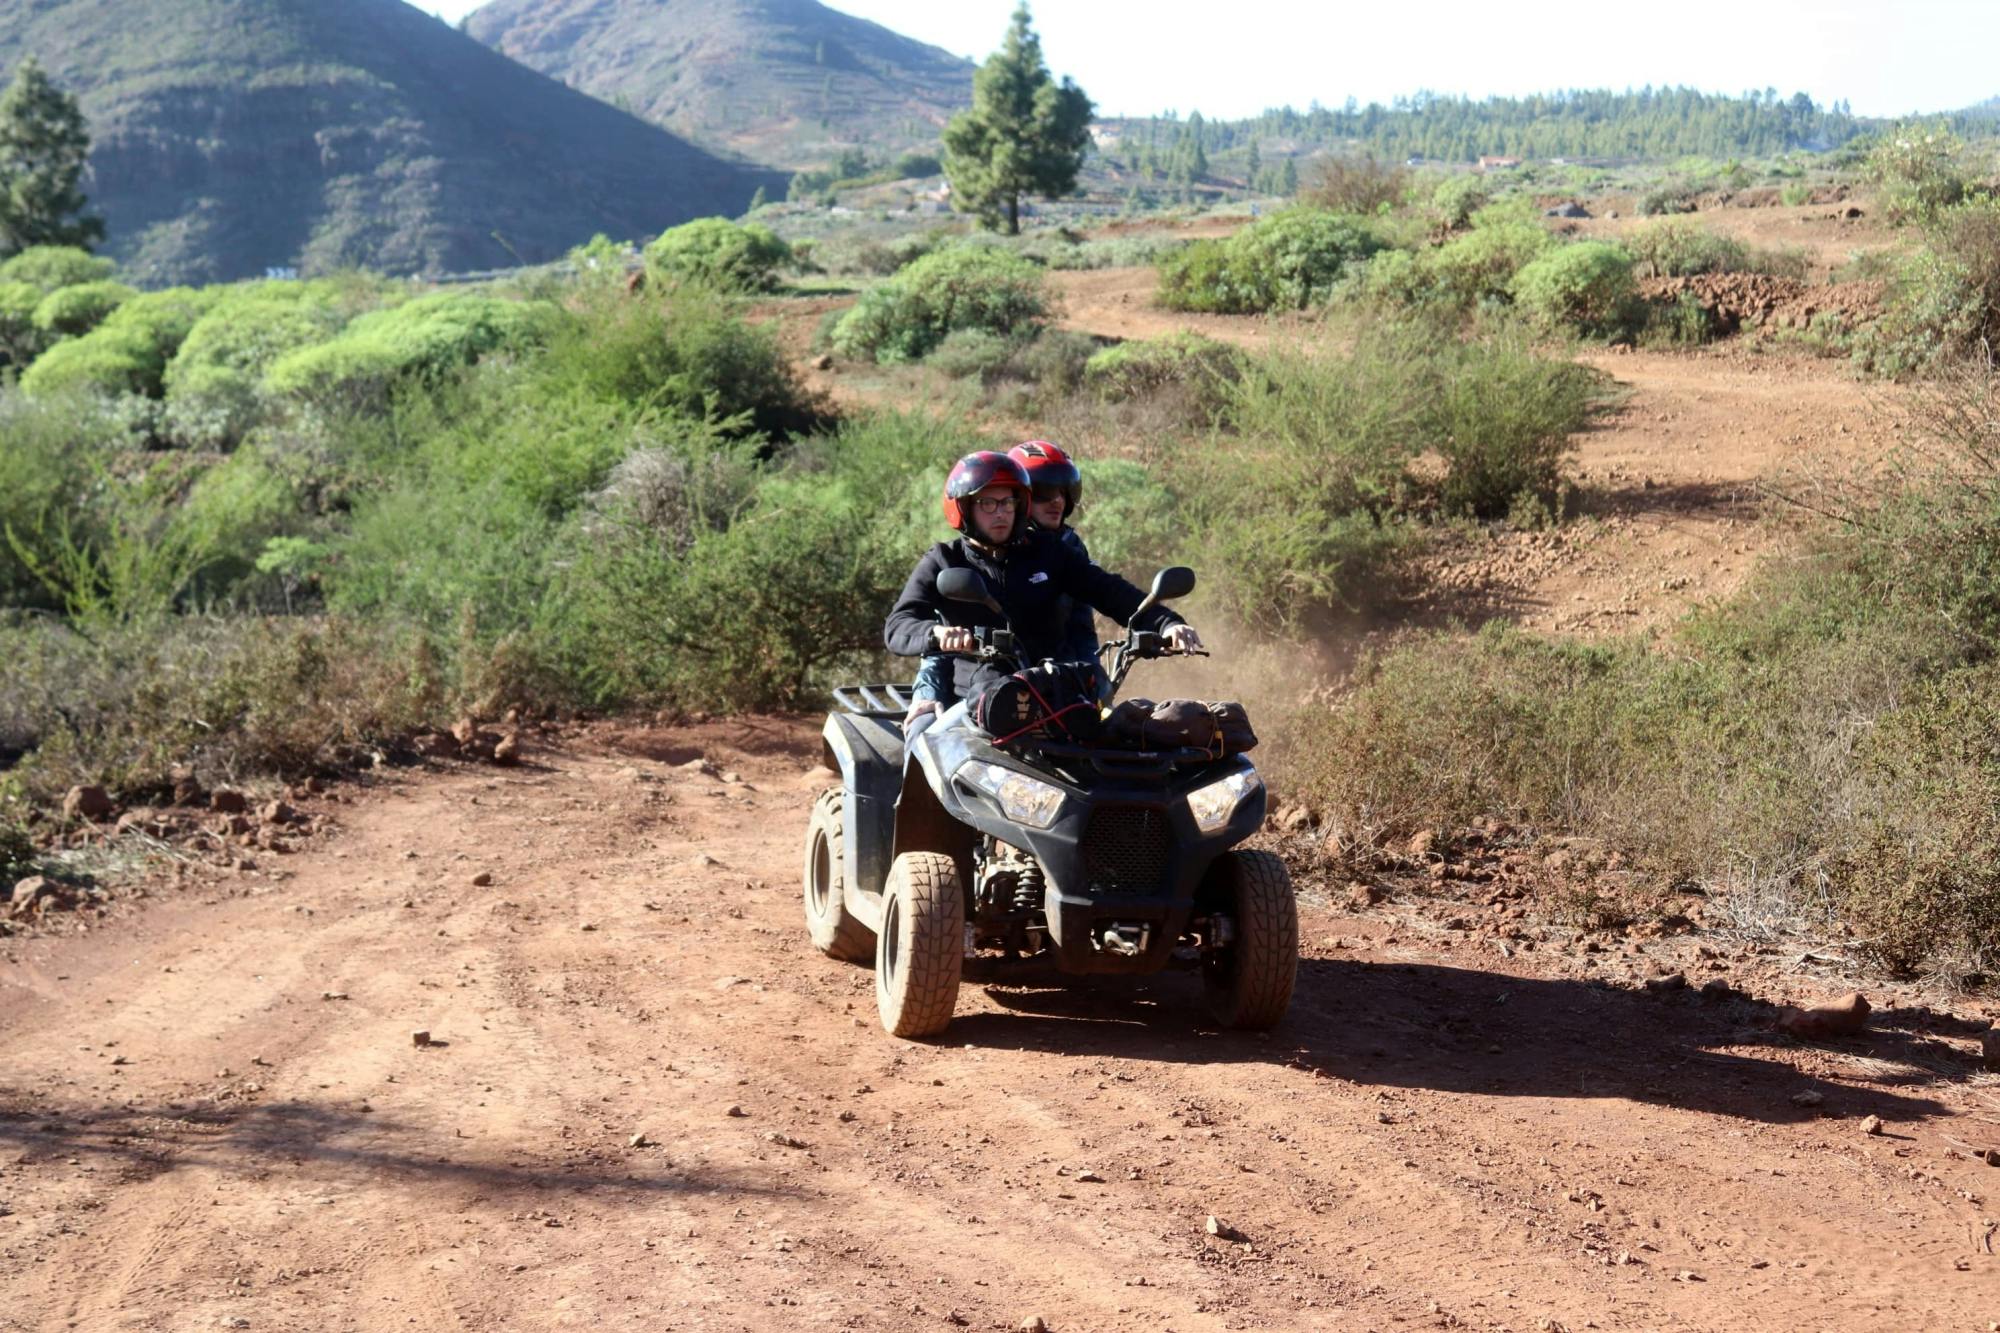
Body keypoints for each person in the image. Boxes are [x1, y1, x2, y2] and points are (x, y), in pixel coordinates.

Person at [891, 450, 1200, 736]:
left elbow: (1110, 590)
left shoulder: (1049, 552)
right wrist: (937, 633)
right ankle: (903, 798)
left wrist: (1166, 624)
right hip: (974, 699)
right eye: (988, 503)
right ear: (963, 508)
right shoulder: (944, 559)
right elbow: (899, 624)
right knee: (923, 733)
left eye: (1008, 502)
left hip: (1057, 693)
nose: (1000, 513)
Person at [907, 440, 1098, 721]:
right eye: (1044, 493)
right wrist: (929, 694)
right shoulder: (971, 554)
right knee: (929, 735)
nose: (1057, 500)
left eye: (1063, 491)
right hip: (976, 686)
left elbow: (1081, 628)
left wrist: (1091, 685)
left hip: (1051, 684)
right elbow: (940, 642)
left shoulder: (1069, 547)